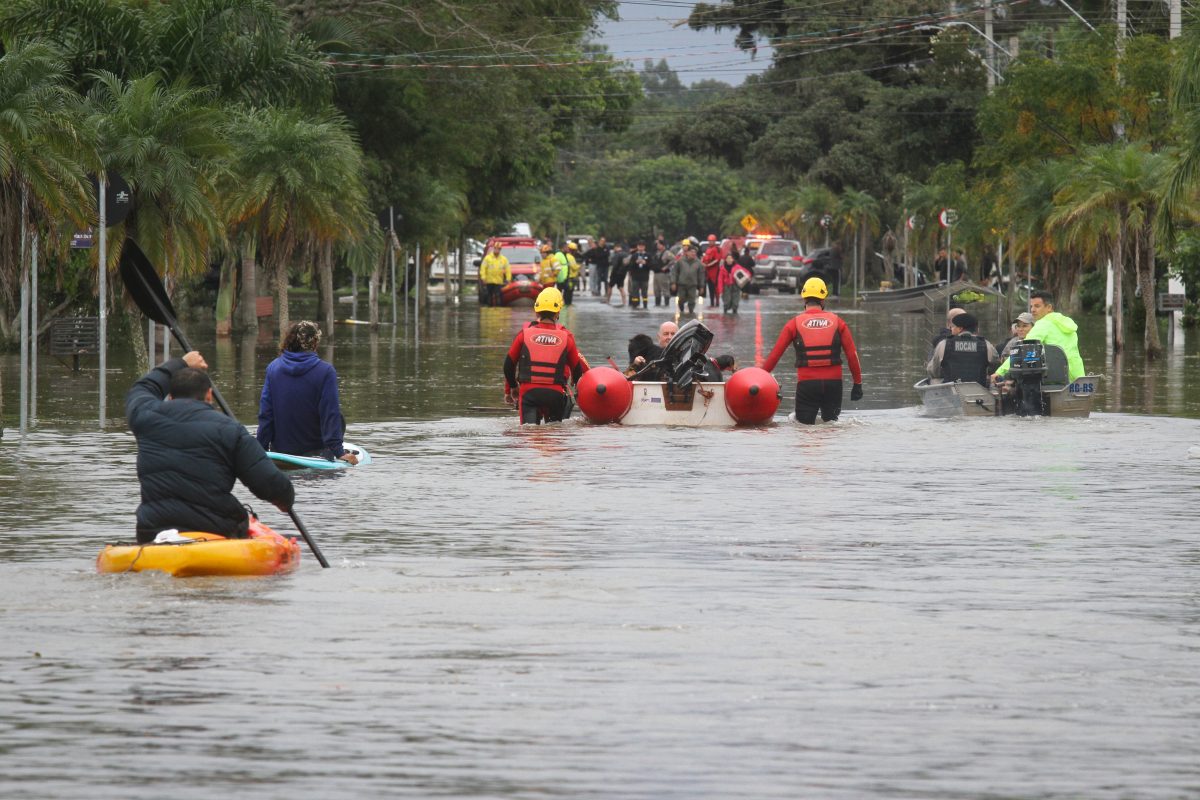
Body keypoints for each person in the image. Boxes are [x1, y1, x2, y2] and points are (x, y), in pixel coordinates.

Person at [126, 351, 294, 543]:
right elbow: (270, 482)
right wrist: (284, 500)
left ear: (170, 397)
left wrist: (180, 363)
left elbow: (142, 388)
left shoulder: (145, 416)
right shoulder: (231, 430)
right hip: (213, 529)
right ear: (209, 395)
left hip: (153, 529)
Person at [761, 277, 863, 424]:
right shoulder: (838, 322)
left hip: (807, 385)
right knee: (831, 426)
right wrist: (857, 383)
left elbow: (774, 356)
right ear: (823, 300)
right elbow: (852, 356)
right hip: (833, 385)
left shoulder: (793, 324)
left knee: (804, 430)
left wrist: (758, 379)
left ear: (804, 299)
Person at [258, 321, 358, 464]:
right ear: (315, 343)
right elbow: (330, 413)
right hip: (316, 451)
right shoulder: (326, 371)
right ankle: (329, 450)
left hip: (280, 450)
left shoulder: (273, 368)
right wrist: (339, 452)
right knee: (339, 418)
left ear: (289, 340)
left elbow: (266, 414)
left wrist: (260, 449)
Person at [503, 287, 590, 424]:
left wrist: (512, 388)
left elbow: (509, 365)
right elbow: (578, 367)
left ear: (536, 310)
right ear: (558, 312)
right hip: (555, 393)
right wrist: (577, 387)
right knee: (554, 434)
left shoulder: (524, 334)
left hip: (529, 393)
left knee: (529, 434)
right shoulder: (566, 336)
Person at [992, 290, 1085, 384]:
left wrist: (1000, 372)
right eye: (1031, 306)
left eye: (1037, 306)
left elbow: (1021, 351)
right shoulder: (1067, 324)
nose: (1032, 310)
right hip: (1077, 377)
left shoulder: (1042, 324)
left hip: (1057, 379)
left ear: (1049, 307)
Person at [926, 312, 999, 387]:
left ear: (960, 329)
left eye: (953, 327)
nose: (951, 329)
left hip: (951, 390)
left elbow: (933, 370)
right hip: (978, 389)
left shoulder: (944, 344)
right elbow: (995, 365)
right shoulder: (986, 344)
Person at [670, 244, 704, 315]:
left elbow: (701, 275)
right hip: (682, 284)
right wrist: (673, 282)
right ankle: (681, 311)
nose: (693, 253)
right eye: (691, 252)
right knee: (681, 299)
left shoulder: (698, 263)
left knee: (692, 301)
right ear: (687, 252)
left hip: (692, 285)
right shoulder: (680, 261)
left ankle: (691, 313)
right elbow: (674, 272)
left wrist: (701, 286)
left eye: (695, 252)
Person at [479, 242, 511, 306]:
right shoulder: (487, 258)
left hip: (498, 281)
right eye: (495, 248)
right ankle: (490, 308)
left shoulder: (503, 259)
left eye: (498, 249)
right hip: (489, 281)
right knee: (489, 296)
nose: (497, 250)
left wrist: (508, 279)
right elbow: (483, 268)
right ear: (494, 248)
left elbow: (508, 270)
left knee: (498, 296)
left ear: (500, 250)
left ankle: (498, 309)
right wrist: (483, 278)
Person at [626, 241, 653, 309]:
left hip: (644, 278)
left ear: (644, 247)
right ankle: (635, 305)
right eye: (639, 246)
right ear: (637, 247)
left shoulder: (648, 255)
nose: (641, 248)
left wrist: (645, 263)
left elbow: (652, 266)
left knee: (644, 293)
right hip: (635, 277)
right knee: (635, 293)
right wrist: (635, 263)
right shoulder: (634, 255)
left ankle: (645, 306)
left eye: (642, 246)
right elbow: (630, 267)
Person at [701, 237, 723, 307]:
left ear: (714, 241)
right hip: (708, 272)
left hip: (715, 271)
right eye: (709, 241)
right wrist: (703, 264)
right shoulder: (708, 249)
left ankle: (717, 302)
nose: (710, 242)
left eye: (712, 241)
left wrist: (708, 265)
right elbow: (704, 259)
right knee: (710, 288)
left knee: (715, 288)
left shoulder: (717, 249)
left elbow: (717, 259)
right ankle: (711, 302)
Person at [653, 240, 674, 307]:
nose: (657, 246)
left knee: (665, 290)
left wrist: (667, 266)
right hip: (656, 273)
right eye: (657, 245)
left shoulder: (667, 253)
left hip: (663, 274)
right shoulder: (657, 253)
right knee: (656, 290)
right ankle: (657, 305)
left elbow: (674, 259)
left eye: (659, 244)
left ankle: (666, 305)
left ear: (663, 245)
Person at [563, 241, 581, 306]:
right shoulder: (570, 257)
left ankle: (567, 304)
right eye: (575, 250)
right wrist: (579, 266)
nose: (576, 252)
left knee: (567, 292)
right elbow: (574, 267)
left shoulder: (566, 256)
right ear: (572, 250)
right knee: (569, 292)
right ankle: (568, 304)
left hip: (568, 278)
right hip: (571, 278)